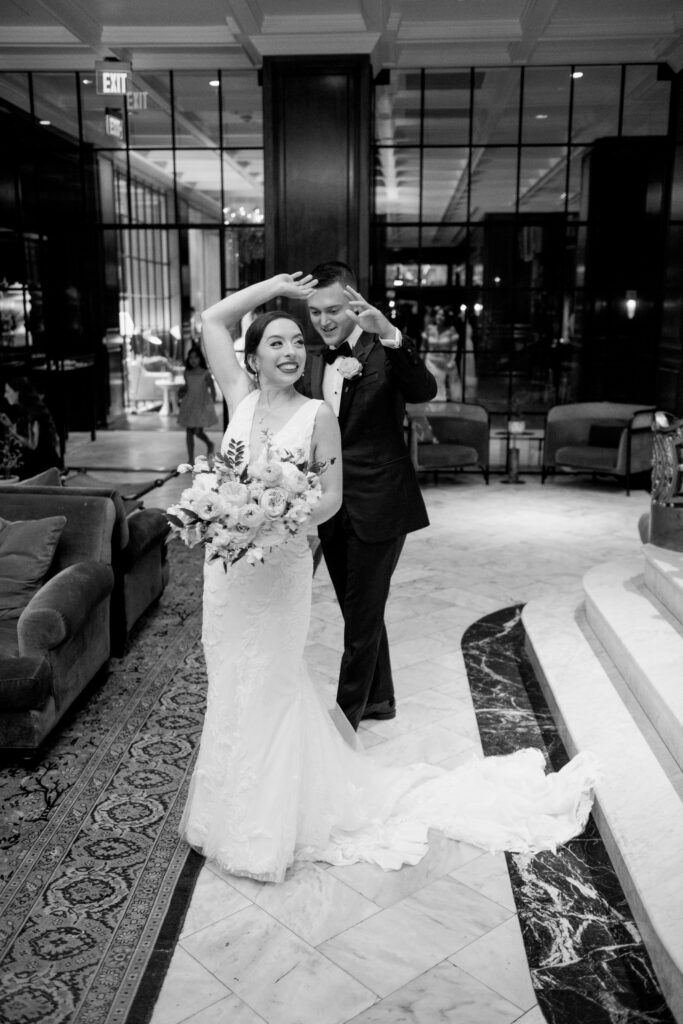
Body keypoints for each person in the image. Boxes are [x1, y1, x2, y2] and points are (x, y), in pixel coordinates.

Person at [177, 270, 599, 885]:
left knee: (282, 671)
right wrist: (275, 287)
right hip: (229, 575)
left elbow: (327, 494)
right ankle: (225, 807)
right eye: (280, 340)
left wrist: (279, 518)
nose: (294, 348)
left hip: (288, 558)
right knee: (231, 677)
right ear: (255, 355)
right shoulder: (240, 394)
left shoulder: (319, 409)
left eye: (300, 339)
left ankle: (276, 811)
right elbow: (210, 321)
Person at [302, 261, 438, 730]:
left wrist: (392, 334)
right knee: (359, 607)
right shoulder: (315, 359)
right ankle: (380, 699)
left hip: (381, 502)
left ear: (354, 301)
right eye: (315, 311)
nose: (324, 320)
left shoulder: (384, 349)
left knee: (360, 621)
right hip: (332, 504)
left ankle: (344, 723)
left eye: (333, 309)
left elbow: (425, 388)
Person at [1, 376, 61, 479]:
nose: (5, 395)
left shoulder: (34, 413)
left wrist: (14, 433)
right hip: (39, 459)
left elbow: (33, 446)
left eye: (7, 391)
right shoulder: (27, 409)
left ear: (17, 392)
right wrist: (10, 425)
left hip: (42, 464)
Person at [177, 346, 217, 463]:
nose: (193, 360)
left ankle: (209, 443)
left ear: (200, 359)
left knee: (198, 432)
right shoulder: (187, 373)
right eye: (191, 357)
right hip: (189, 404)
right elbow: (188, 387)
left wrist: (212, 403)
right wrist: (181, 391)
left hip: (202, 404)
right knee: (189, 431)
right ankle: (190, 460)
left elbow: (212, 388)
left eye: (196, 357)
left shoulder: (205, 373)